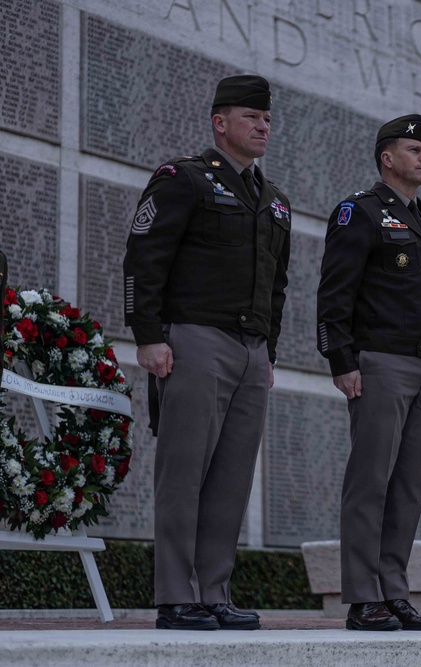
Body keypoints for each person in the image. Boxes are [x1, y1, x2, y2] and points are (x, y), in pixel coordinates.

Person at [123, 75, 290, 631]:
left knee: (231, 478)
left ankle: (214, 592)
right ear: (221, 123)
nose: (263, 126)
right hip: (194, 340)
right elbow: (145, 257)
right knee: (184, 471)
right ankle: (176, 596)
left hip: (250, 351)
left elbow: (277, 286)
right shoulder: (184, 179)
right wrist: (147, 335)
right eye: (251, 117)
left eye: (266, 120)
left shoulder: (274, 202)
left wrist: (269, 352)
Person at [316, 114, 421, 632]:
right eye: (413, 149)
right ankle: (362, 595)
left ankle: (393, 591)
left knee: (409, 487)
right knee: (370, 482)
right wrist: (341, 360)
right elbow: (335, 290)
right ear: (386, 158)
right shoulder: (361, 212)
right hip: (380, 364)